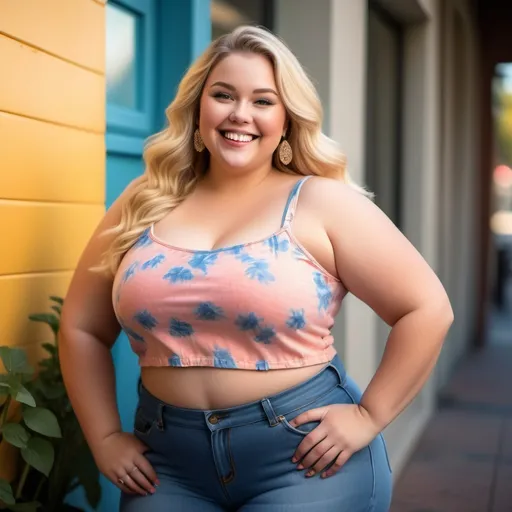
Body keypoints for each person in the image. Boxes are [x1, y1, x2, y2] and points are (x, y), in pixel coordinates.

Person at [60, 25, 453, 512]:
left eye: (263, 101)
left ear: (287, 119)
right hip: (168, 465)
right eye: (223, 95)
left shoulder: (322, 202)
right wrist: (103, 437)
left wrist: (369, 415)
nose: (239, 114)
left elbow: (427, 309)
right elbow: (81, 326)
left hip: (304, 461)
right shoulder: (146, 200)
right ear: (198, 107)